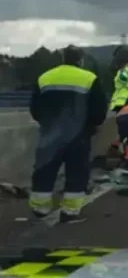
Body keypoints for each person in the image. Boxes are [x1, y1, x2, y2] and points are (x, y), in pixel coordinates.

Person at [28, 46, 108, 222]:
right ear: (80, 60)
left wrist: (47, 124)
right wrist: (92, 125)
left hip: (50, 134)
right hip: (78, 135)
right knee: (77, 171)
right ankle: (70, 211)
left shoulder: (45, 77)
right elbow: (99, 108)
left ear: (63, 59)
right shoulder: (89, 78)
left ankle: (40, 207)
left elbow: (35, 108)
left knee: (45, 169)